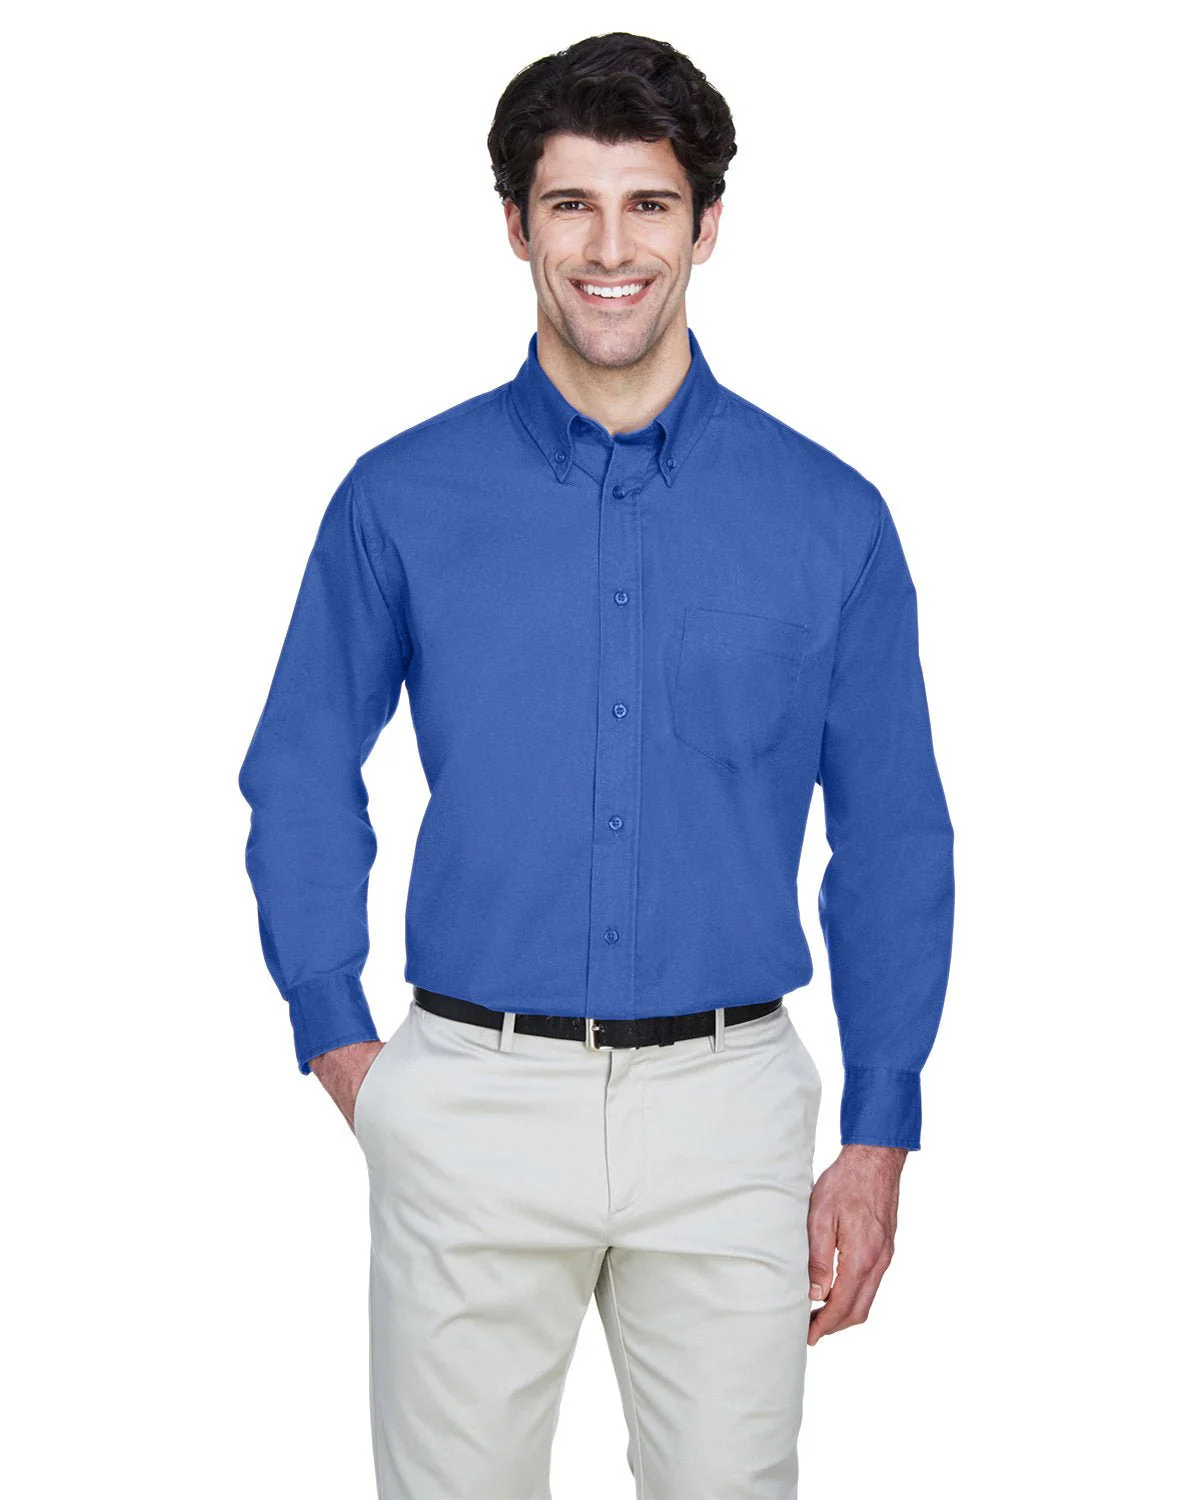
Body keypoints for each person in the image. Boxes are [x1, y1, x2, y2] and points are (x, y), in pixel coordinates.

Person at [237, 30, 955, 1500]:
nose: (612, 249)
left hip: (729, 1113)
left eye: (649, 204)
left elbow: (892, 835)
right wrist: (340, 1041)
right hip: (468, 1098)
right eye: (572, 204)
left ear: (707, 224)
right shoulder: (400, 499)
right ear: (517, 225)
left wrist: (880, 1125)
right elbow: (301, 769)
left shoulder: (829, 517)